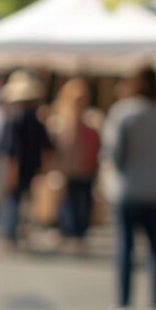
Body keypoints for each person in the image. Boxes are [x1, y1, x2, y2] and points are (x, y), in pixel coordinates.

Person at [102, 66, 156, 310]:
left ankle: (123, 306)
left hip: (128, 189)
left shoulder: (124, 111)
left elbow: (114, 152)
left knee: (126, 248)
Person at [0, 70, 53, 253]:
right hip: (31, 168)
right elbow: (47, 147)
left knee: (12, 201)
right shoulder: (37, 120)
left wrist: (10, 170)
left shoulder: (13, 120)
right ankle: (20, 234)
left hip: (15, 167)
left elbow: (9, 150)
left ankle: (10, 237)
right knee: (25, 202)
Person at [50, 78, 100, 253]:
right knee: (68, 201)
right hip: (69, 168)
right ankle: (69, 232)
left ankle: (78, 234)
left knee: (82, 202)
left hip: (85, 168)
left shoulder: (91, 118)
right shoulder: (61, 118)